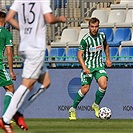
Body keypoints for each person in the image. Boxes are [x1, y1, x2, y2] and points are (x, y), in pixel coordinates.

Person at [0, 0, 66, 133]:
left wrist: (24, 30)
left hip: (25, 46)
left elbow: (9, 18)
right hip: (36, 47)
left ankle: (18, 112)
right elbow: (48, 18)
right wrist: (60, 18)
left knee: (45, 82)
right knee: (27, 84)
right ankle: (7, 118)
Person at [69, 17, 112, 120]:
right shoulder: (85, 39)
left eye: (96, 26)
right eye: (92, 27)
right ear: (89, 27)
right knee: (85, 89)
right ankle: (73, 109)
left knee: (104, 84)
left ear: (98, 27)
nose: (94, 29)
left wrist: (107, 59)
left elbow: (106, 45)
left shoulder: (102, 36)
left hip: (98, 66)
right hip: (87, 67)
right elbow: (79, 55)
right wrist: (84, 68)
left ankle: (96, 105)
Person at [0, 10, 16, 115]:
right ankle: (5, 117)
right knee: (10, 88)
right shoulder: (6, 33)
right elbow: (9, 53)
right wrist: (11, 71)